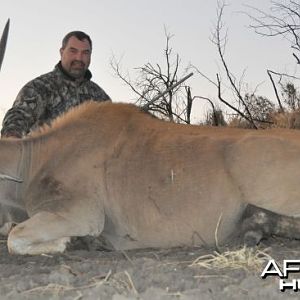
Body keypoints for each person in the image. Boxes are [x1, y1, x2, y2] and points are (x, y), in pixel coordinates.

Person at [1, 31, 111, 138]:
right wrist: (12, 138)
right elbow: (18, 116)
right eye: (73, 51)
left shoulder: (100, 96)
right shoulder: (40, 87)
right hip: (44, 156)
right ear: (62, 52)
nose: (79, 58)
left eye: (85, 53)